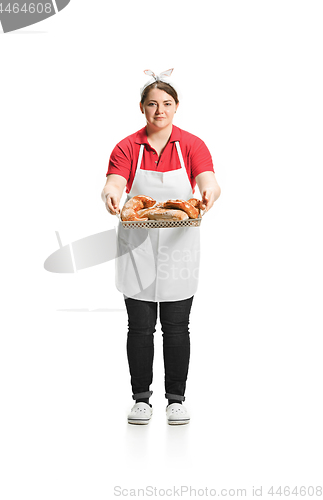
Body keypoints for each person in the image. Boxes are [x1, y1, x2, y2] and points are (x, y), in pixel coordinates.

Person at [101, 69, 221, 425]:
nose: (160, 111)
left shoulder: (192, 145)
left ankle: (176, 400)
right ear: (142, 108)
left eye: (166, 104)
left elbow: (208, 180)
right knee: (139, 326)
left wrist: (210, 193)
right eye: (152, 104)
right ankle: (141, 399)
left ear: (176, 107)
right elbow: (115, 182)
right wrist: (111, 196)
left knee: (176, 325)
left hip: (179, 248)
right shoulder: (127, 146)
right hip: (136, 247)